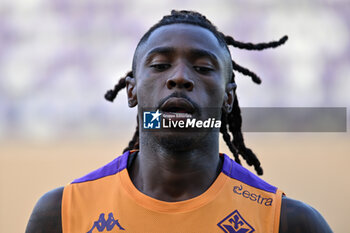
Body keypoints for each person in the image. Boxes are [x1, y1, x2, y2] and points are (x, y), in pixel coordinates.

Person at [26, 10, 333, 233]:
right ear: (132, 90)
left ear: (228, 99)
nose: (180, 77)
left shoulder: (287, 222)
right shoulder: (62, 215)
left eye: (202, 68)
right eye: (160, 65)